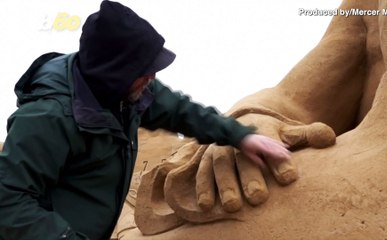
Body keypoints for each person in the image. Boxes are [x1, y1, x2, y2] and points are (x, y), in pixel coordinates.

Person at [0, 1, 291, 239]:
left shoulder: (130, 90)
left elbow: (181, 110)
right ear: (114, 72)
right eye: (144, 69)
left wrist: (241, 135)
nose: (152, 76)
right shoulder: (46, 118)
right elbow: (8, 201)